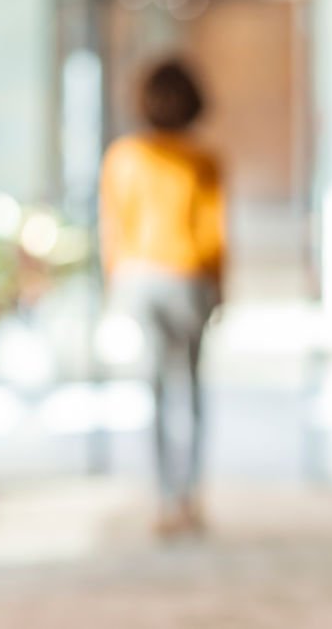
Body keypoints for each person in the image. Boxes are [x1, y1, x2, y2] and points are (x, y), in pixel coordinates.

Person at [99, 57, 224, 536]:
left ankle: (162, 501)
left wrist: (115, 284)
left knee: (153, 387)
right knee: (188, 387)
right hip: (188, 277)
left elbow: (114, 226)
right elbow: (213, 233)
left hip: (138, 278)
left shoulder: (123, 155)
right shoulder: (203, 158)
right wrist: (220, 289)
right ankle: (188, 498)